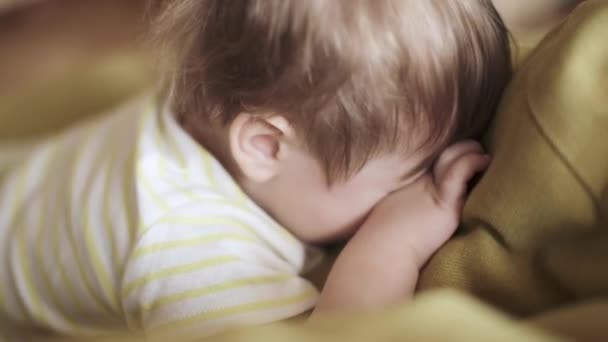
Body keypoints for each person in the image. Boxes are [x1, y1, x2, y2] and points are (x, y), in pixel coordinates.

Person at [0, 0, 511, 338]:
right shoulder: (187, 253)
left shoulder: (207, 96)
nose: (423, 189)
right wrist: (391, 245)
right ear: (266, 146)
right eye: (406, 177)